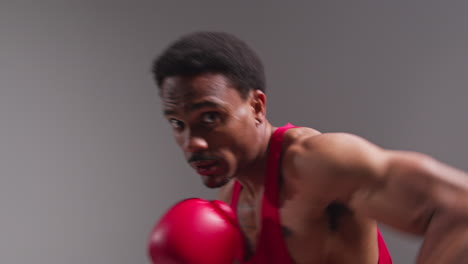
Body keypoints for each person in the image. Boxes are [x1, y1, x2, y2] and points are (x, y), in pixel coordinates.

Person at [149, 31, 468, 263]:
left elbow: (460, 205)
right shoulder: (231, 194)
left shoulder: (315, 163)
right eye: (177, 123)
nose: (193, 142)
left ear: (257, 107)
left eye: (210, 117)